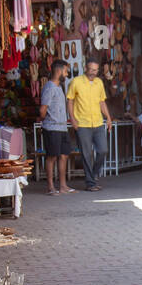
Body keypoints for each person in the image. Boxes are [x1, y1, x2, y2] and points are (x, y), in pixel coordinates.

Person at [66, 60, 111, 192]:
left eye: (95, 70)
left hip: (97, 122)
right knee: (86, 154)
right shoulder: (76, 82)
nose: (93, 72)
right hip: (82, 123)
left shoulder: (99, 83)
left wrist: (108, 118)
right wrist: (72, 119)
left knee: (103, 150)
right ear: (85, 68)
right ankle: (90, 183)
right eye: (91, 69)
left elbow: (102, 102)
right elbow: (70, 101)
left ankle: (93, 174)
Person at [39, 59, 74, 195]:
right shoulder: (49, 87)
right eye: (65, 71)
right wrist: (48, 121)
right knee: (52, 157)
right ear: (59, 71)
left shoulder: (59, 87)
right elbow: (43, 110)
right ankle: (50, 187)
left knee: (64, 156)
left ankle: (63, 186)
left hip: (62, 128)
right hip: (52, 128)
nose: (66, 74)